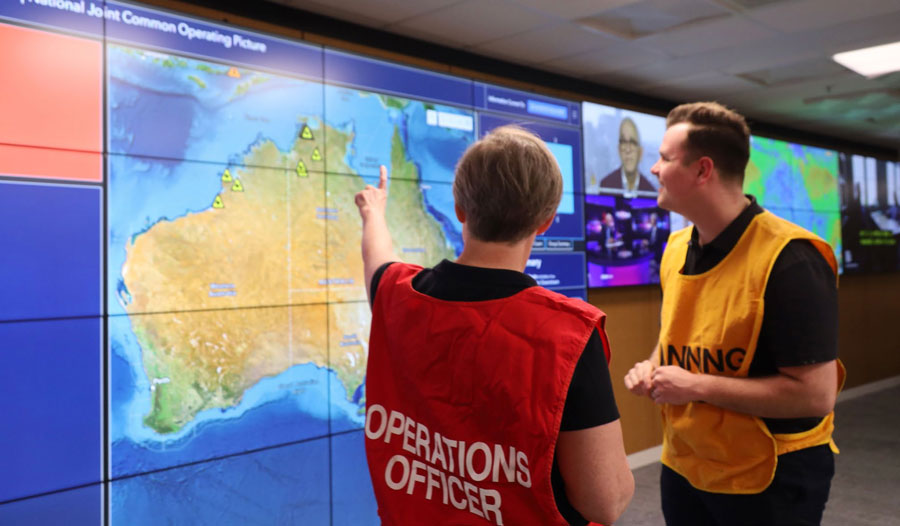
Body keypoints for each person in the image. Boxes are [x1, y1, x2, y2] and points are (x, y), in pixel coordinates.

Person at [356, 125, 634, 526]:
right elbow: (604, 502)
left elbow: (375, 261)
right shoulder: (569, 335)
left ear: (460, 209)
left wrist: (372, 211)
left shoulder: (396, 295)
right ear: (546, 221)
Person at [624, 102, 843, 526]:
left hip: (769, 479)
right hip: (687, 465)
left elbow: (816, 395)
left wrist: (695, 385)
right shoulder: (675, 250)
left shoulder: (791, 258)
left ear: (702, 170)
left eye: (665, 158)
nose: (654, 169)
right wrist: (652, 368)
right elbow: (676, 338)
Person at [599, 117, 657, 197]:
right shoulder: (606, 185)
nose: (628, 149)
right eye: (623, 142)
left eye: (633, 142)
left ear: (640, 152)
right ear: (619, 150)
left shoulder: (650, 191)